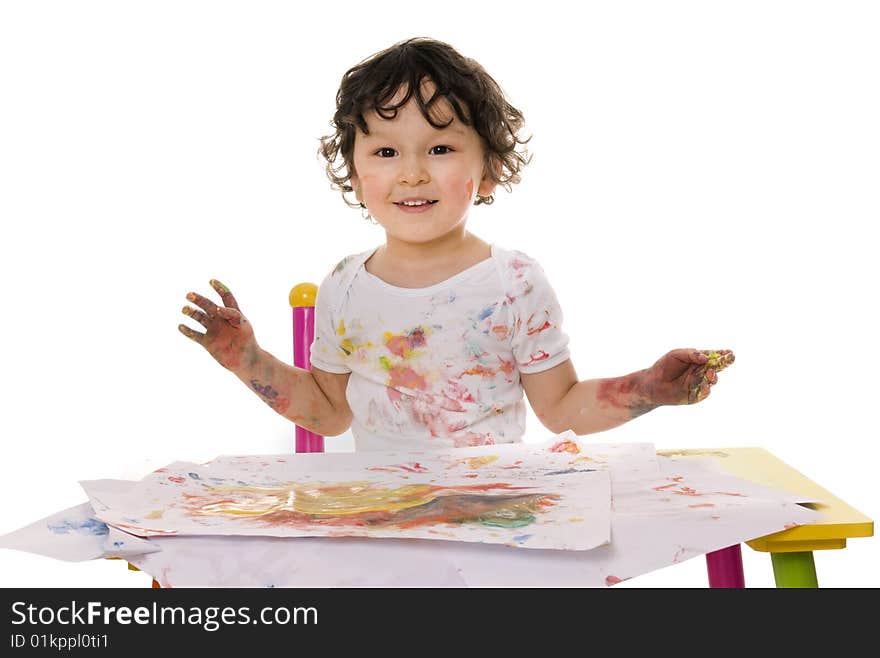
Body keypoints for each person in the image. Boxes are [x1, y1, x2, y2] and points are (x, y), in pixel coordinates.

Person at [178, 37, 734, 451]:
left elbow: (562, 408)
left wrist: (650, 388)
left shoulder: (513, 283)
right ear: (353, 171)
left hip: (492, 518)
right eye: (387, 153)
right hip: (386, 520)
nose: (413, 174)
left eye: (440, 149)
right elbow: (327, 414)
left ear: (488, 170)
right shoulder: (345, 286)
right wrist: (245, 359)